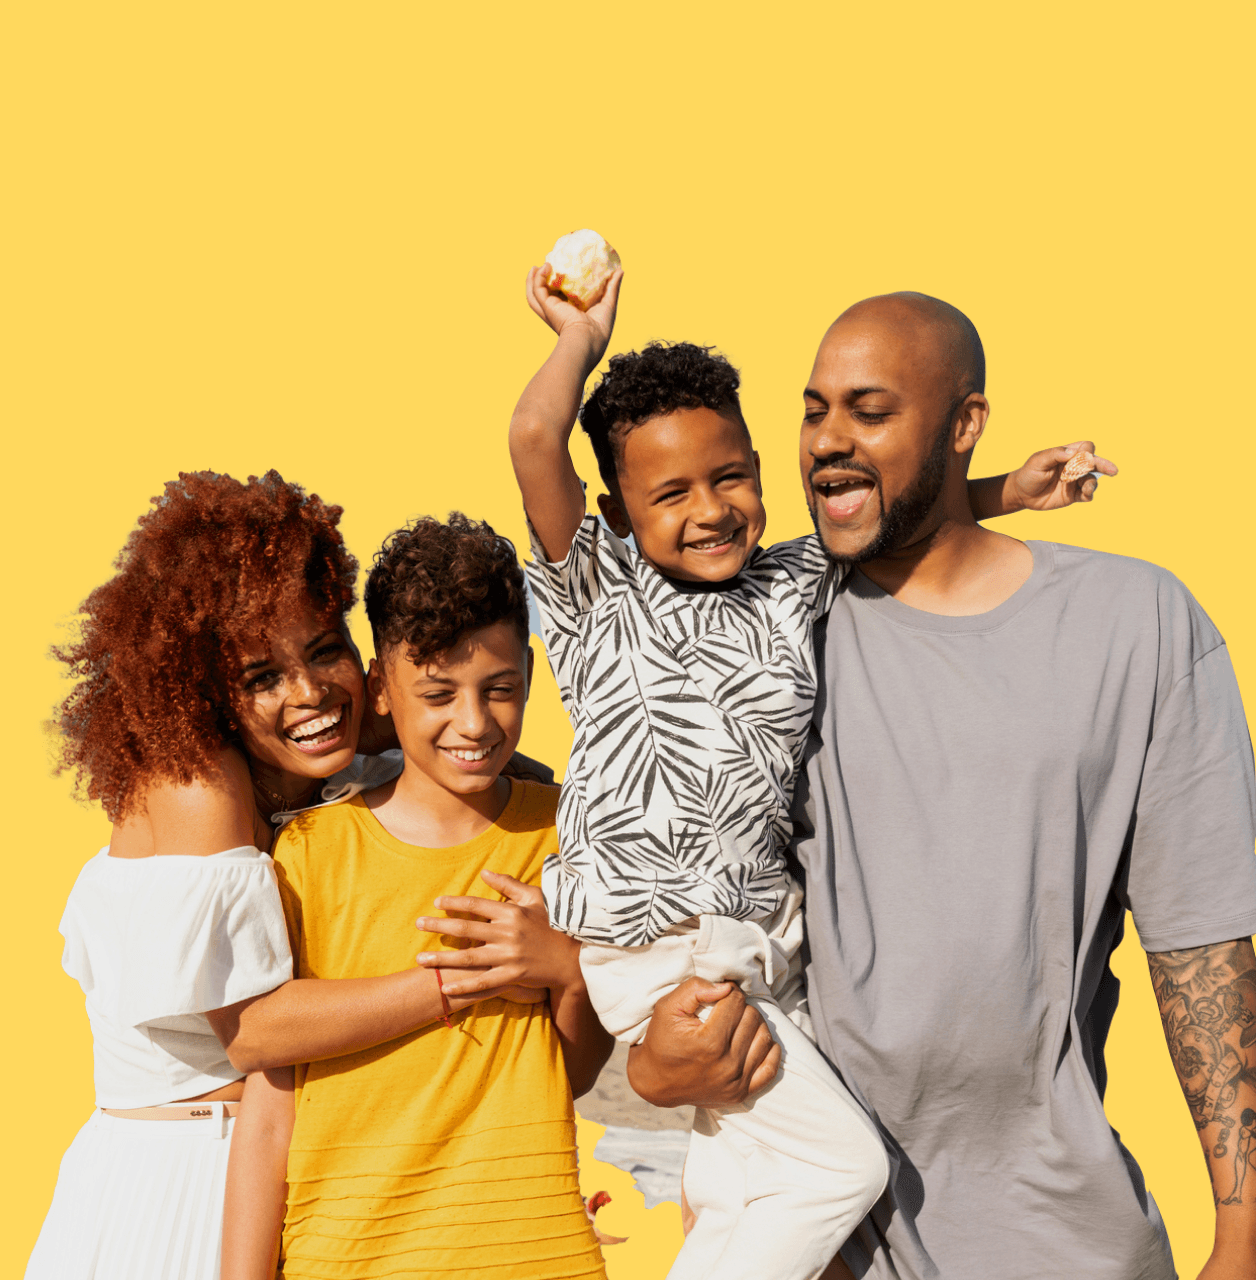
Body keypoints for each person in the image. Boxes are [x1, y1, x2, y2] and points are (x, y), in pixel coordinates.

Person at [628, 292, 1256, 1280]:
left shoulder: (1138, 626)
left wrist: (1242, 1238)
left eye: (867, 411)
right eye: (811, 409)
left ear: (962, 424)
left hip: (1062, 1240)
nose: (825, 441)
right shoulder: (757, 631)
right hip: (821, 1240)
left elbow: (1204, 951)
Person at [504, 265, 1113, 1279]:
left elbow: (909, 525)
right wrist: (580, 336)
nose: (710, 508)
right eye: (670, 492)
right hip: (654, 946)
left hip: (752, 948)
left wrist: (1015, 490)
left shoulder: (795, 577)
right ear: (615, 511)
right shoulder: (596, 594)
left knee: (744, 1186)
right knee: (839, 1170)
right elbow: (534, 440)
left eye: (730, 474)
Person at [28, 472, 563, 1280]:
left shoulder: (347, 765)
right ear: (206, 692)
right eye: (261, 677)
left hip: (310, 1182)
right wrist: (473, 975)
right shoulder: (198, 784)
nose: (309, 693)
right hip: (186, 1185)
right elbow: (253, 1032)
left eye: (324, 652)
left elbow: (470, 740)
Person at [221, 513, 611, 1280]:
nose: (473, 722)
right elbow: (268, 1114)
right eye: (438, 693)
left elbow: (579, 1066)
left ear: (530, 677)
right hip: (348, 1257)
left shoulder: (568, 835)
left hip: (536, 1255)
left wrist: (564, 969)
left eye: (499, 690)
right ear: (381, 691)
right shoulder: (307, 854)